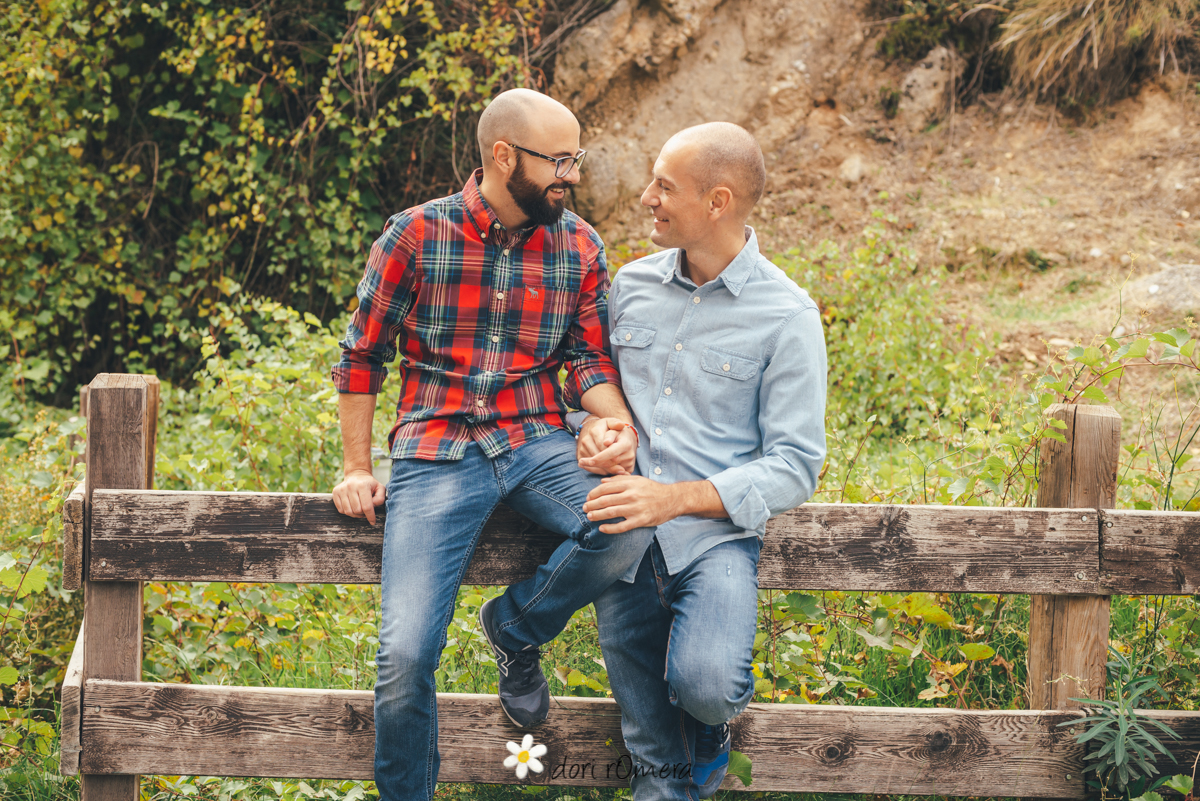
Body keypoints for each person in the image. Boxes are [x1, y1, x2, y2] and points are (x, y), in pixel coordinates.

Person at [330, 88, 653, 801]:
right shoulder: (414, 235)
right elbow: (362, 356)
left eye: (577, 157)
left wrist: (612, 423)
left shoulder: (579, 245)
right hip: (436, 448)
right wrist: (356, 468)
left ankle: (513, 626)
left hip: (538, 437)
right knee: (404, 654)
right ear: (503, 156)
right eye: (559, 160)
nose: (571, 174)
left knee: (632, 523)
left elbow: (586, 361)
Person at [574, 122, 827, 800]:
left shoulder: (787, 315)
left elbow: (797, 463)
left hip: (714, 542)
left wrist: (676, 497)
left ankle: (710, 740)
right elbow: (591, 387)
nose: (646, 196)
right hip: (622, 544)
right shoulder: (629, 285)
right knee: (652, 752)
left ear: (718, 201)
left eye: (665, 185)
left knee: (708, 687)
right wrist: (594, 431)